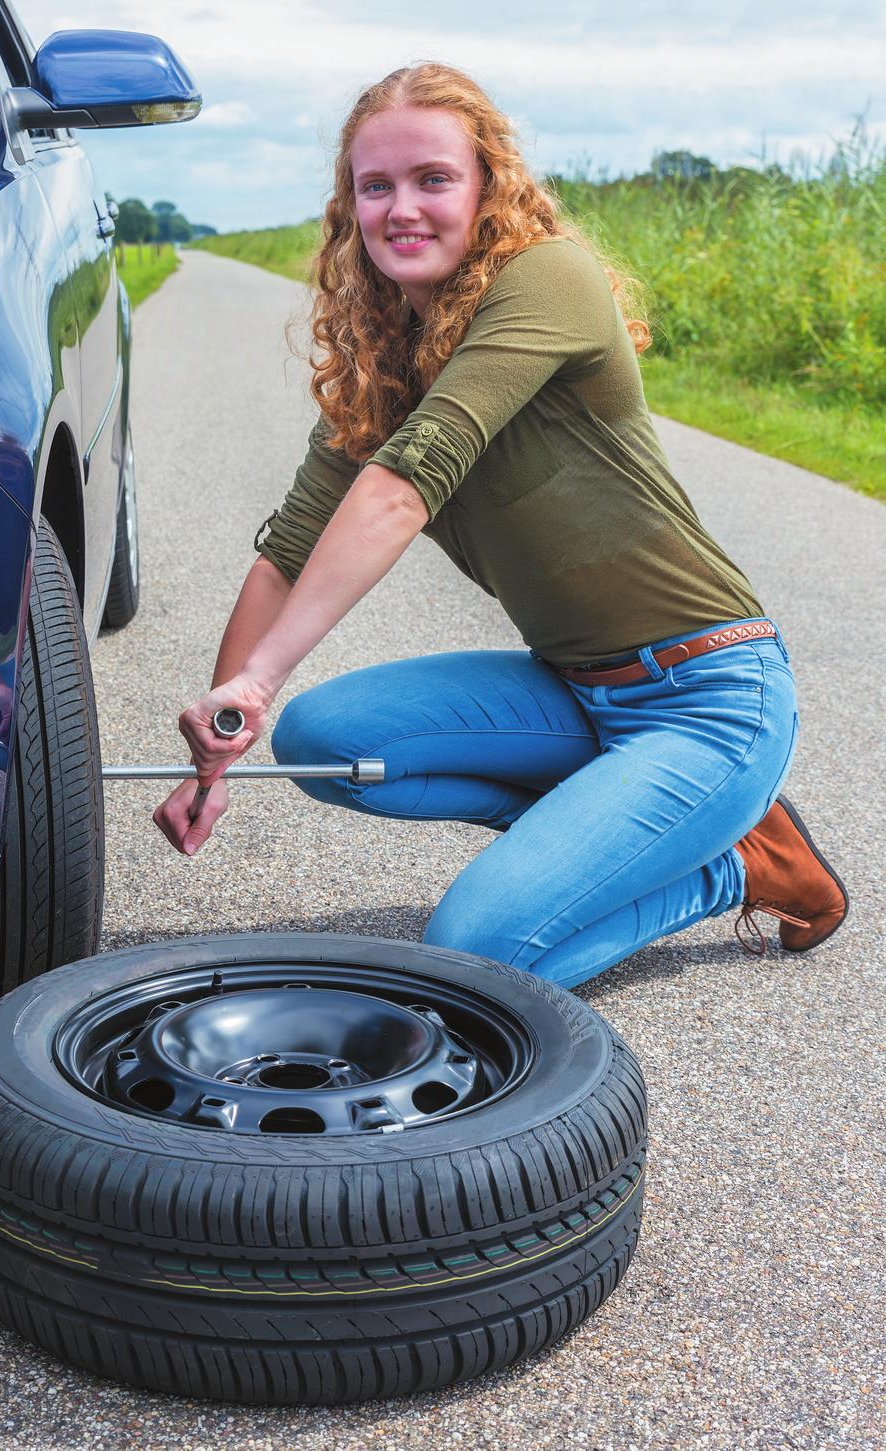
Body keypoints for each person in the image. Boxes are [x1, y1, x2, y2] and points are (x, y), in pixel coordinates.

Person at [153, 63, 847, 988]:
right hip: (575, 697)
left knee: (467, 959)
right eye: (376, 186)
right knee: (320, 741)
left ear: (486, 188)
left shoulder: (546, 278)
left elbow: (408, 482)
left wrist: (262, 675)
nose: (402, 207)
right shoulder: (380, 367)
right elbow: (287, 557)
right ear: (349, 206)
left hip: (710, 696)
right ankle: (616, 832)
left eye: (433, 178)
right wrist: (222, 745)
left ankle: (733, 864)